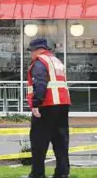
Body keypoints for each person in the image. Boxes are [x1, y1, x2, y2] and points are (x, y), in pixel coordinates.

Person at [25, 38, 71, 178]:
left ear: (38, 50)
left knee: (38, 140)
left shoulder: (40, 62)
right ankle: (62, 173)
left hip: (47, 105)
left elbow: (40, 83)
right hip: (62, 104)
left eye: (31, 51)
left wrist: (36, 104)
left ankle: (37, 173)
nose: (31, 54)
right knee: (60, 140)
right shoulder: (56, 61)